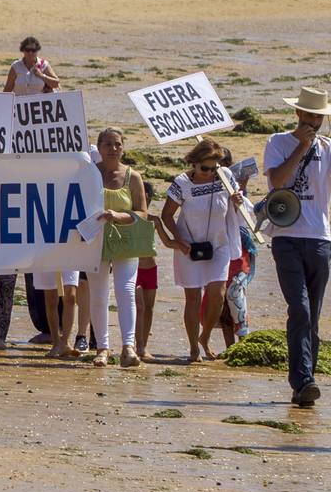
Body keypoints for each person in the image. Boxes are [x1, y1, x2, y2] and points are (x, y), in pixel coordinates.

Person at [263, 86, 331, 408]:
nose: (314, 122)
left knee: (312, 316)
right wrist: (301, 148)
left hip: (320, 239)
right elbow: (277, 181)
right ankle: (304, 380)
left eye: (319, 117)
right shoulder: (277, 142)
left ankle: (304, 382)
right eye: (309, 115)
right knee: (300, 309)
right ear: (298, 114)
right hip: (286, 237)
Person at [160, 138, 243, 364]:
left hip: (219, 244)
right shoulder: (182, 182)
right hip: (190, 247)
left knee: (218, 294)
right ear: (194, 163)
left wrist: (237, 201)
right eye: (205, 168)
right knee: (193, 298)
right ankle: (193, 348)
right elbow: (166, 215)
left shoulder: (225, 177)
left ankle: (204, 337)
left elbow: (238, 206)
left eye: (213, 168)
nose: (209, 173)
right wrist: (178, 240)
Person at [87, 127, 146, 367]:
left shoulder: (133, 176)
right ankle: (102, 348)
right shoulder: (89, 174)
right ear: (99, 148)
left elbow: (142, 211)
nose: (113, 149)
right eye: (108, 145)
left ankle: (128, 347)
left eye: (117, 144)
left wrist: (120, 217)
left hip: (126, 240)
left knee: (126, 291)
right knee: (99, 295)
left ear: (123, 147)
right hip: (95, 241)